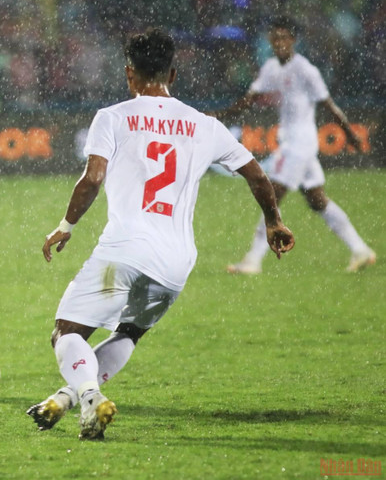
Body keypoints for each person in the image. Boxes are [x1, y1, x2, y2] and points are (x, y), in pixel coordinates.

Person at [27, 28, 295, 440]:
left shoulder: (112, 117)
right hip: (176, 261)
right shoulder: (204, 125)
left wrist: (66, 226)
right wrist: (274, 220)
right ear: (173, 72)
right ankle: (69, 399)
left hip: (124, 251)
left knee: (66, 332)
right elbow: (257, 174)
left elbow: (92, 179)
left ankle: (90, 398)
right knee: (130, 332)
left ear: (129, 74)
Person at [220, 16, 375, 274]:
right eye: (275, 38)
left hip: (298, 145)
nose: (279, 42)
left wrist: (350, 134)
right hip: (295, 145)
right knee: (317, 200)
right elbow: (250, 99)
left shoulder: (306, 70)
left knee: (271, 198)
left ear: (294, 40)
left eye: (284, 38)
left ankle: (253, 260)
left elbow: (328, 104)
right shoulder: (271, 67)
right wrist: (221, 116)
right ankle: (361, 250)